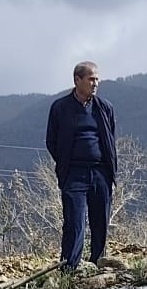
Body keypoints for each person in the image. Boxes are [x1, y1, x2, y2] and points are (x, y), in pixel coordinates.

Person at [45, 62, 118, 273]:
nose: (95, 83)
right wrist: (65, 162)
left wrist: (109, 170)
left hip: (100, 172)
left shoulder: (105, 108)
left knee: (100, 221)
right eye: (91, 79)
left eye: (97, 79)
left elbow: (110, 138)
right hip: (74, 173)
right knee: (75, 222)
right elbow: (51, 141)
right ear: (77, 80)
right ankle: (70, 268)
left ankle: (98, 266)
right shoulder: (60, 108)